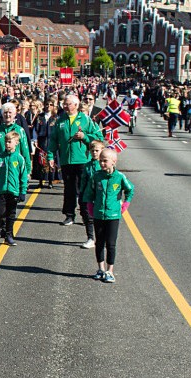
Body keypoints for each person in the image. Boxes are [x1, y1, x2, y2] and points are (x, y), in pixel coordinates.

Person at [47, 94, 102, 228]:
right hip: (66, 160)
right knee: (69, 189)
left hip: (82, 160)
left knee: (83, 189)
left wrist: (85, 137)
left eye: (68, 104)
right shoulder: (60, 120)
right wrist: (50, 157)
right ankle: (69, 215)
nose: (65, 106)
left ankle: (86, 215)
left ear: (76, 105)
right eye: (64, 104)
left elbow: (98, 137)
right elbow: (53, 140)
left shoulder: (86, 120)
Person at [81, 148, 133, 284]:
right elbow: (89, 192)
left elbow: (130, 190)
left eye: (105, 161)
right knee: (99, 243)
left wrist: (125, 204)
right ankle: (101, 269)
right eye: (100, 161)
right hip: (99, 214)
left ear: (114, 162)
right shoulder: (96, 176)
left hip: (113, 215)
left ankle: (110, 270)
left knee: (111, 244)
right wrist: (90, 206)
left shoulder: (120, 177)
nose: (102, 163)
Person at [0, 131, 29, 246]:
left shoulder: (19, 159)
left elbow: (23, 176)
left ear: (16, 143)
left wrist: (22, 191)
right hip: (1, 190)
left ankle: (9, 235)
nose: (7, 144)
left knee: (11, 214)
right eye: (6, 141)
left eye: (10, 142)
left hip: (13, 191)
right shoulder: (0, 157)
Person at [79, 140, 106, 250]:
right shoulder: (87, 166)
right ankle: (90, 238)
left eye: (97, 150)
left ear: (102, 151)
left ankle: (101, 239)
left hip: (100, 197)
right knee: (87, 217)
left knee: (100, 219)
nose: (94, 153)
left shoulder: (104, 166)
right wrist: (81, 194)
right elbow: (83, 181)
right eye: (92, 150)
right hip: (88, 196)